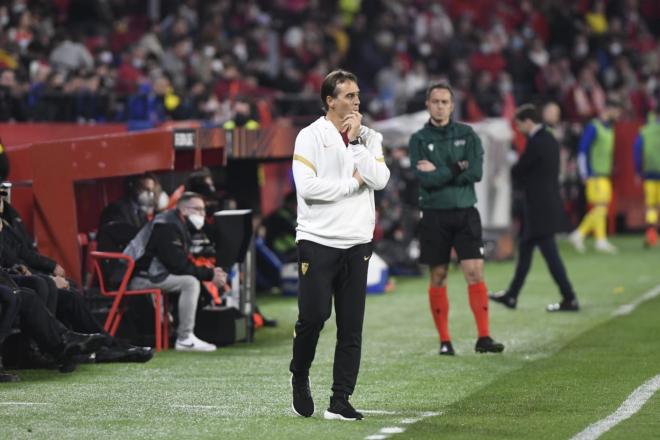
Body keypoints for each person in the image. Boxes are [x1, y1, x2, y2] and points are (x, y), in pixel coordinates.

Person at [289, 69, 390, 420]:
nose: (356, 101)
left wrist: (359, 140)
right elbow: (307, 188)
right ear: (330, 100)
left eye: (358, 95)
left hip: (357, 242)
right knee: (313, 318)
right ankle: (299, 376)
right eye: (349, 95)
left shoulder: (369, 138)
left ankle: (340, 398)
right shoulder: (310, 137)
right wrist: (350, 185)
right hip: (317, 240)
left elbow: (379, 179)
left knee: (351, 326)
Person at [409, 82, 504, 357]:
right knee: (438, 275)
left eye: (444, 102)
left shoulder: (468, 133)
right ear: (428, 105)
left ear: (452, 106)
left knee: (475, 272)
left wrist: (440, 171)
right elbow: (425, 179)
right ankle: (445, 340)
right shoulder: (418, 139)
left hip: (465, 212)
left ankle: (483, 337)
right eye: (435, 101)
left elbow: (475, 173)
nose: (439, 106)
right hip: (434, 214)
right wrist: (455, 167)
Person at [489, 104, 580, 312]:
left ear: (528, 122)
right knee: (526, 251)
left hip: (538, 208)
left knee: (550, 255)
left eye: (519, 124)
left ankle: (570, 297)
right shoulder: (549, 139)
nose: (518, 129)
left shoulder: (536, 142)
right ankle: (512, 295)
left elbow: (522, 170)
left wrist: (510, 168)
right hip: (543, 206)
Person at [125, 192, 227, 352]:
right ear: (184, 210)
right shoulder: (167, 225)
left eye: (203, 210)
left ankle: (182, 334)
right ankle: (185, 338)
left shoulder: (177, 222)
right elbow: (178, 266)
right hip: (139, 277)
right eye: (198, 209)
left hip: (153, 274)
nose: (202, 214)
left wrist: (210, 272)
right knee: (190, 283)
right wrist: (210, 275)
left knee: (190, 279)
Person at [568, 98, 623, 253]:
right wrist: (585, 173)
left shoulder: (609, 128)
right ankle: (579, 234)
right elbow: (582, 151)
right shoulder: (593, 127)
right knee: (599, 207)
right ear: (609, 109)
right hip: (594, 174)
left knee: (602, 208)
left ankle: (600, 239)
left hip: (604, 174)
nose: (618, 115)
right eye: (617, 111)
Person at [633, 111, 660, 248]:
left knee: (651, 206)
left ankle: (651, 233)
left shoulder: (645, 130)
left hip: (649, 173)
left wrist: (638, 171)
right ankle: (655, 235)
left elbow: (637, 150)